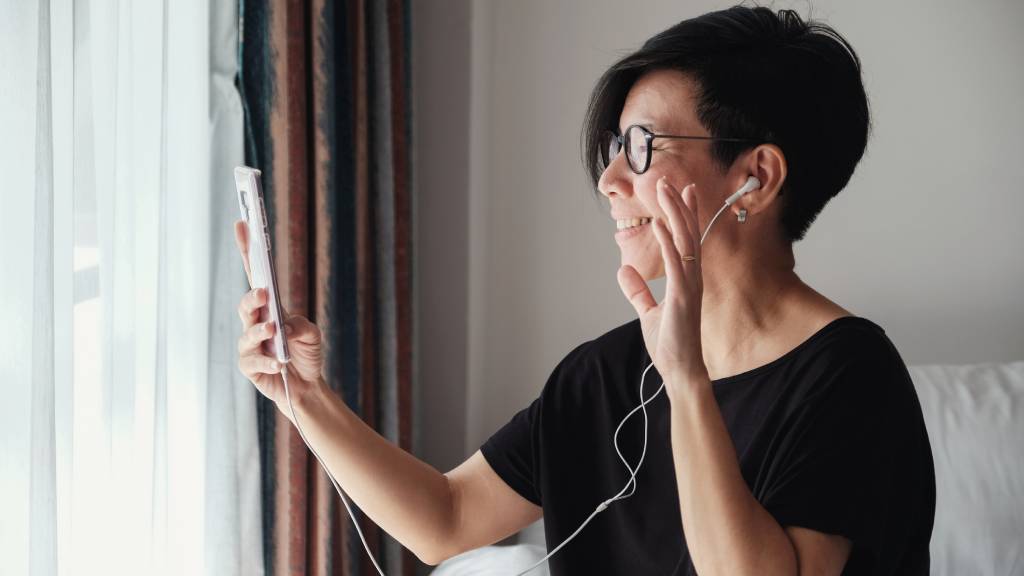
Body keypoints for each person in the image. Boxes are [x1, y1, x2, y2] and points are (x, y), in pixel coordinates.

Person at [235, 5, 935, 575]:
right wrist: (307, 397)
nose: (608, 183)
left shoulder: (852, 378)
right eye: (613, 151)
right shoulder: (600, 375)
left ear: (754, 177)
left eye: (640, 147)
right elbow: (447, 521)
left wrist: (686, 381)